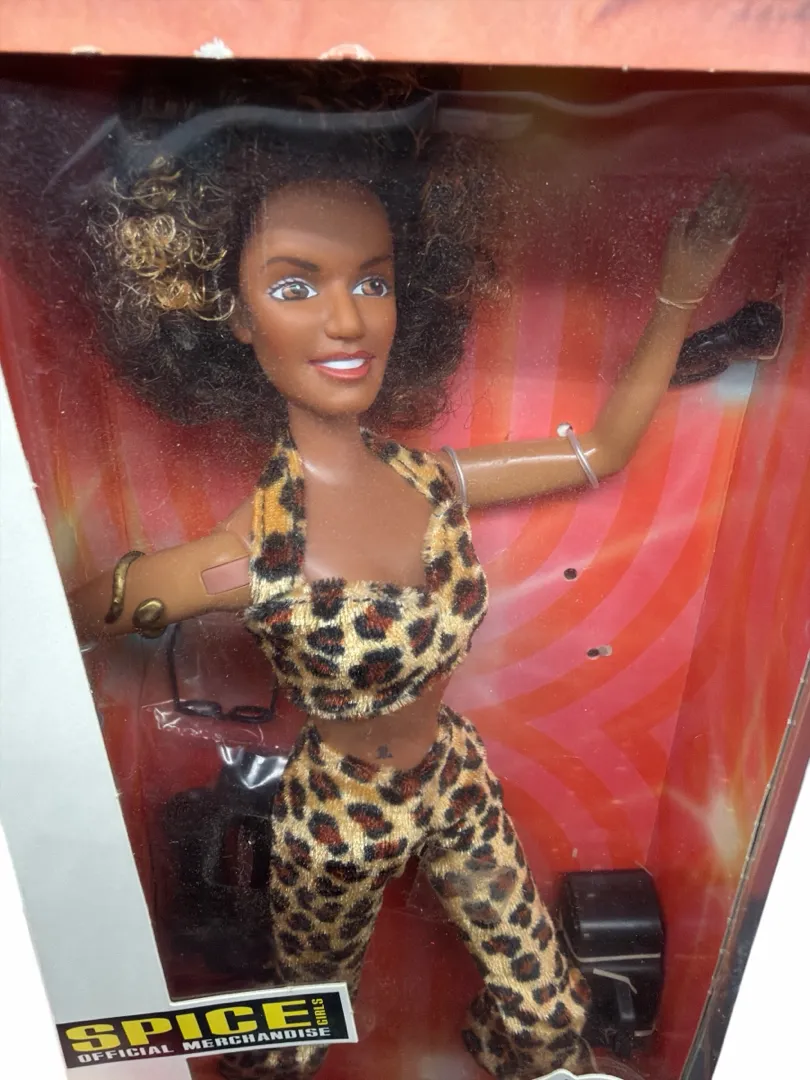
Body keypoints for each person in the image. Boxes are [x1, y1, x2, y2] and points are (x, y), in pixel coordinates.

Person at [68, 68, 760, 1080]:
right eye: (294, 286)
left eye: (374, 281)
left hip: (454, 782)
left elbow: (603, 450)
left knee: (547, 1011)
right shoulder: (248, 553)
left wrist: (678, 293)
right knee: (300, 1030)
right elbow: (68, 619)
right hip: (337, 820)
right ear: (231, 312)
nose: (348, 323)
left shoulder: (433, 482)